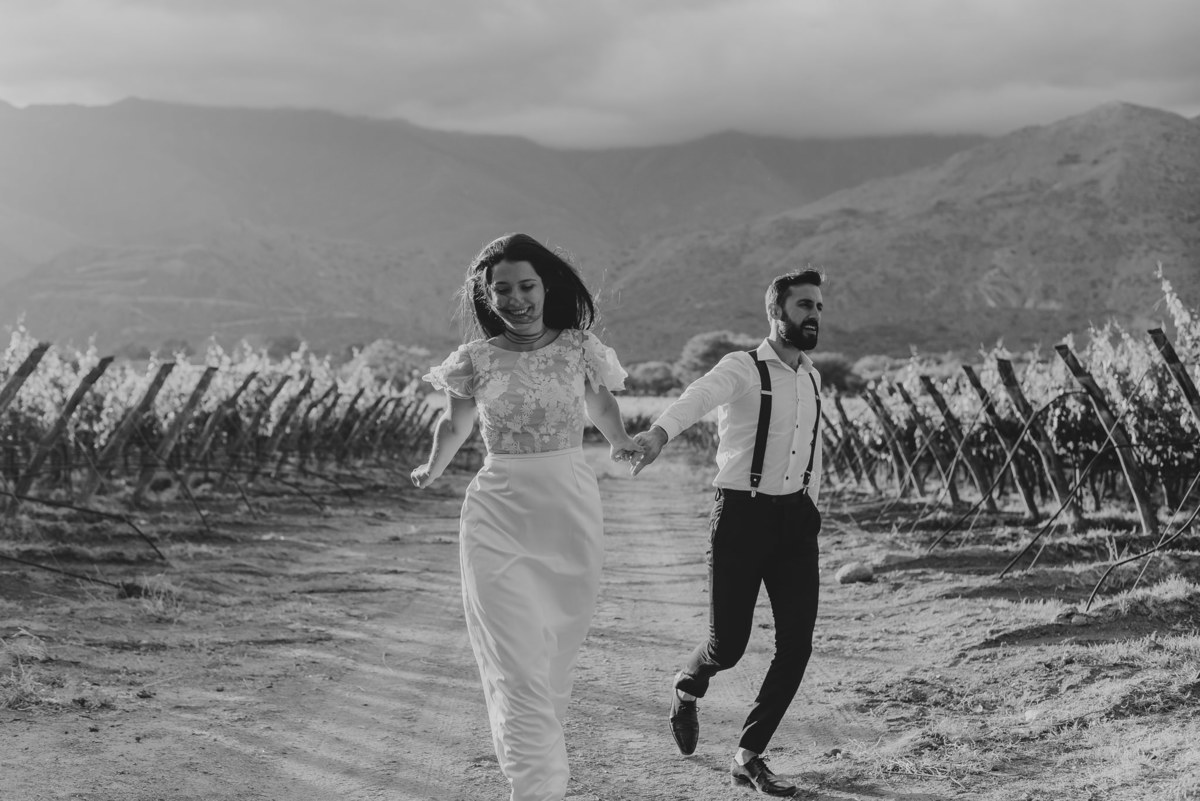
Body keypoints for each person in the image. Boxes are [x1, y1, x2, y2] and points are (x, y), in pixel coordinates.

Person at [410, 233, 641, 801]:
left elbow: (602, 404)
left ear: (546, 287)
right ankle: (536, 787)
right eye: (503, 290)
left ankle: (538, 765)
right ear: (487, 297)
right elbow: (454, 424)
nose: (516, 299)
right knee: (513, 656)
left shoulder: (579, 348)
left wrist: (619, 441)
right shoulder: (473, 360)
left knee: (553, 653)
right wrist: (433, 467)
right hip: (498, 505)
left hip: (568, 504)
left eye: (526, 286)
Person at [630, 268, 826, 797]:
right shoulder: (742, 367)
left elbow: (812, 449)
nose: (813, 315)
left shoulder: (813, 377)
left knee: (797, 647)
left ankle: (749, 754)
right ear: (776, 312)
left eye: (818, 307)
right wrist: (659, 433)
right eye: (804, 305)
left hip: (796, 522)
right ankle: (687, 685)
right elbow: (697, 397)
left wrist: (812, 504)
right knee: (729, 645)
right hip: (741, 518)